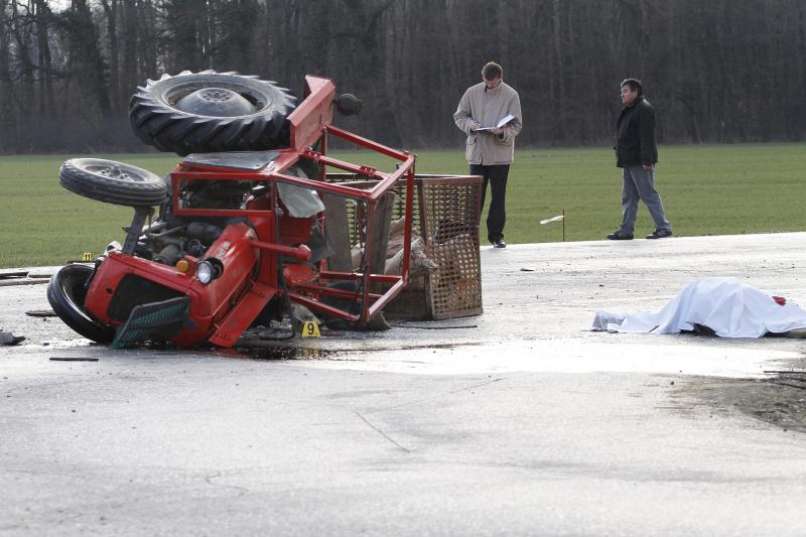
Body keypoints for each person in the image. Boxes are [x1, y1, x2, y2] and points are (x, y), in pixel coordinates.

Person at [453, 61, 522, 248]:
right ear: (482, 77)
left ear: (500, 78)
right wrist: (472, 126)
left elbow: (516, 125)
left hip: (500, 155)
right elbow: (459, 116)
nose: (489, 85)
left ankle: (496, 236)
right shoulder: (472, 92)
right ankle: (468, 237)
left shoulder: (511, 95)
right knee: (474, 199)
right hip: (477, 153)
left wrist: (501, 132)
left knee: (498, 198)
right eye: (486, 81)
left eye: (493, 82)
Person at [607, 78, 672, 240]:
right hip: (629, 160)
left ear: (635, 92)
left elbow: (647, 137)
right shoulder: (630, 109)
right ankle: (626, 230)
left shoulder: (644, 109)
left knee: (648, 194)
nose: (622, 95)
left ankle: (663, 227)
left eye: (625, 91)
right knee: (628, 196)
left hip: (640, 160)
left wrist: (647, 160)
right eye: (621, 92)